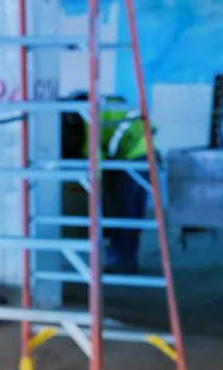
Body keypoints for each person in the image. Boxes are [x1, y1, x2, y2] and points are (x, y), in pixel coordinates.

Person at [60, 92, 156, 274]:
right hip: (146, 153)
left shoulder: (91, 114)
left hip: (132, 158)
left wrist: (92, 177)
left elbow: (93, 151)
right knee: (133, 212)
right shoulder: (109, 105)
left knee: (123, 212)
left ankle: (121, 261)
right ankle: (128, 259)